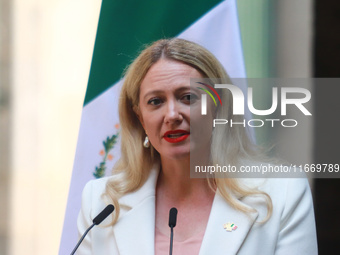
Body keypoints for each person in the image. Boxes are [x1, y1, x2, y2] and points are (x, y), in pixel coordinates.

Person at [77, 38, 317, 254]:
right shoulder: (101, 202)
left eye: (188, 97)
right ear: (140, 118)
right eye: (156, 101)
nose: (172, 115)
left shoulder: (283, 194)